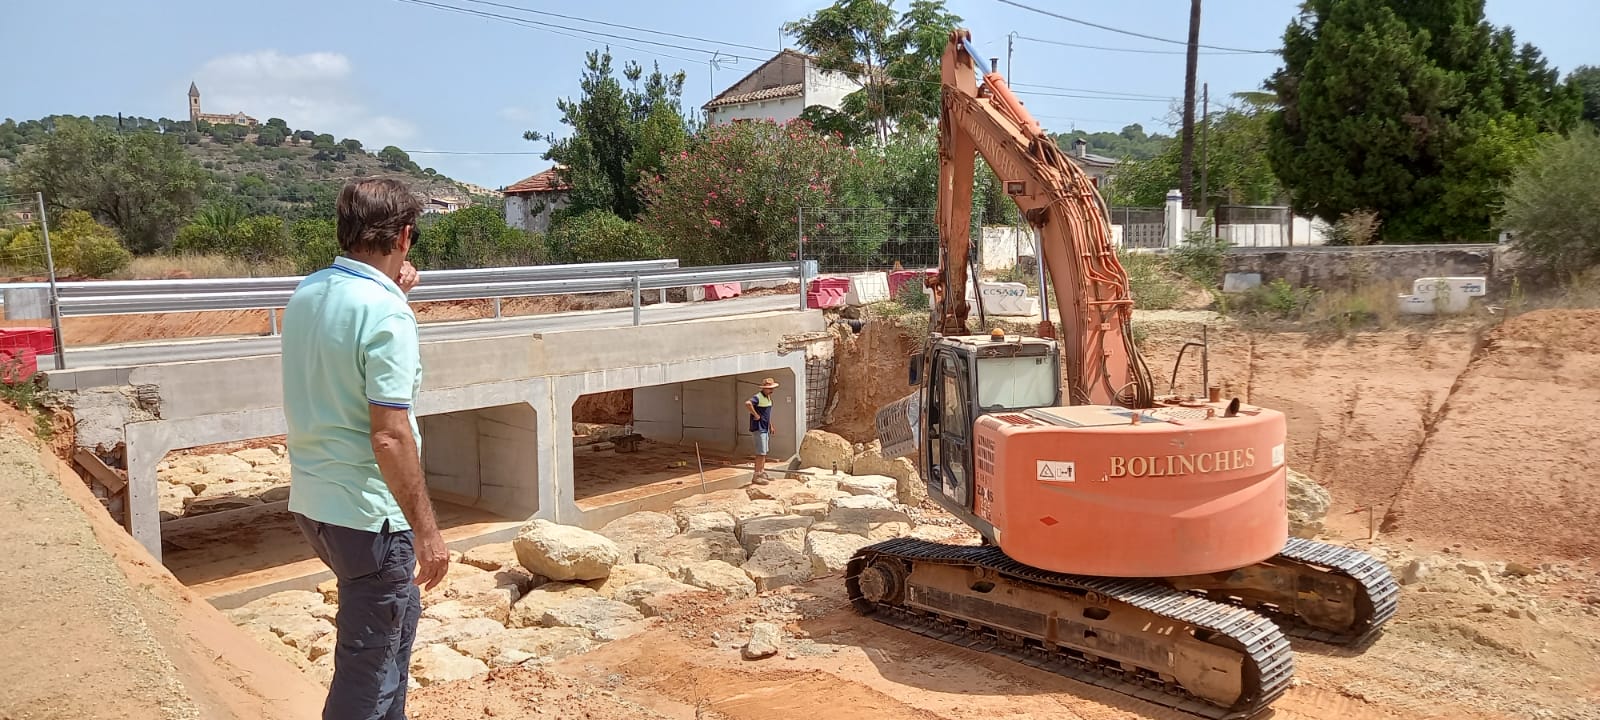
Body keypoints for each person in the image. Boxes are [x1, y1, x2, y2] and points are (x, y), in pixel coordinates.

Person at [281, 178, 448, 720]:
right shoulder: (386, 312)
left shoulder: (307, 292)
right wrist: (427, 529)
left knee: (392, 638)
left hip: (317, 504)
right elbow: (389, 434)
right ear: (405, 235)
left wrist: (395, 292)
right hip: (370, 515)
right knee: (369, 667)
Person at [746, 377, 779, 484]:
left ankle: (762, 472)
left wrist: (770, 425)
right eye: (769, 388)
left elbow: (766, 414)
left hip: (765, 428)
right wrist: (755, 415)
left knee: (764, 452)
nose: (771, 390)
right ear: (764, 388)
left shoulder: (767, 398)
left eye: (772, 388)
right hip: (759, 428)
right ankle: (756, 475)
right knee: (760, 452)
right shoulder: (758, 397)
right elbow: (748, 403)